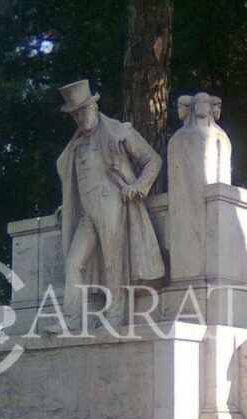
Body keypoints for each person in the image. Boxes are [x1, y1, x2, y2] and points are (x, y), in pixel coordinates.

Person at [46, 79, 165, 332]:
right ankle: (72, 319)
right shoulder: (76, 145)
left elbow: (152, 160)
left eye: (82, 111)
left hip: (113, 203)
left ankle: (115, 314)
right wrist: (66, 205)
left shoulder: (120, 131)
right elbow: (77, 182)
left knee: (114, 261)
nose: (80, 118)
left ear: (94, 107)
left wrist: (139, 186)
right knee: (73, 263)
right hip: (87, 213)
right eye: (75, 114)